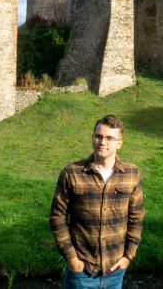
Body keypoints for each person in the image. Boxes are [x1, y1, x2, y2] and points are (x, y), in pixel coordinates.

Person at [49, 114, 145, 289]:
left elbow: (136, 218)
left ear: (119, 144)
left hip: (115, 270)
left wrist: (128, 256)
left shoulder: (132, 174)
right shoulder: (72, 173)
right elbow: (57, 218)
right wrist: (72, 259)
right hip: (81, 271)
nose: (103, 142)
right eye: (99, 136)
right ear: (92, 138)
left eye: (109, 138)